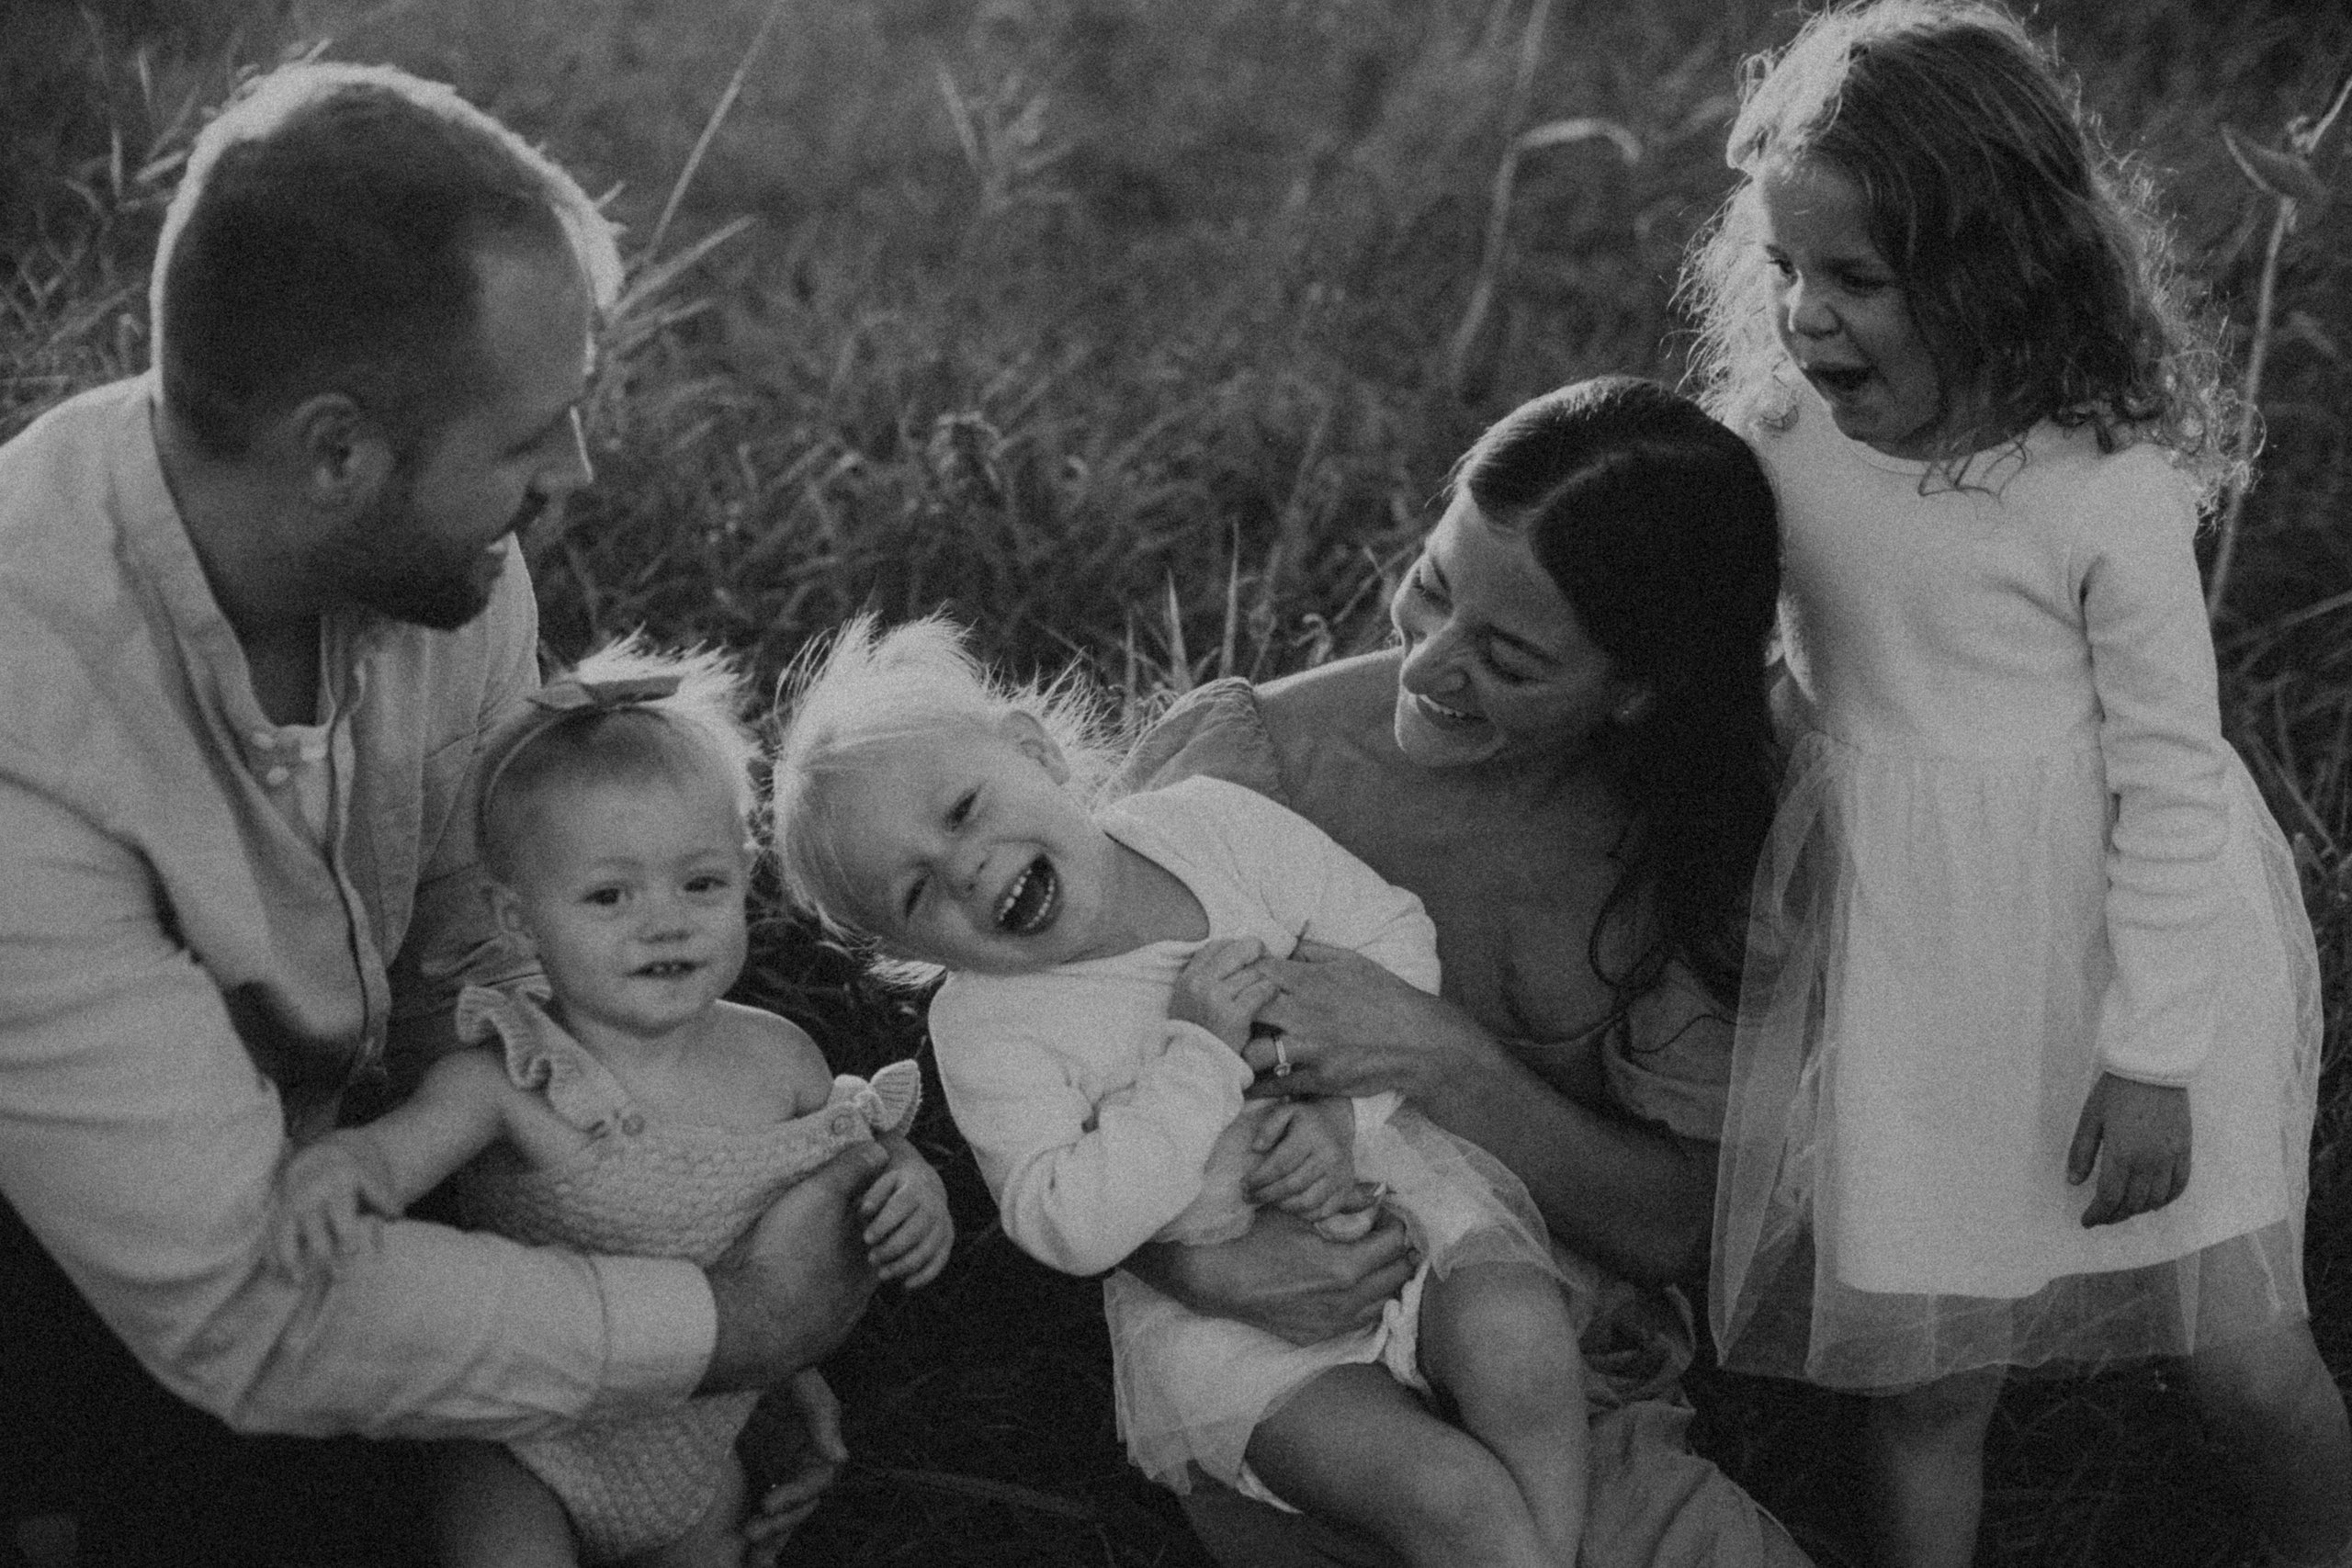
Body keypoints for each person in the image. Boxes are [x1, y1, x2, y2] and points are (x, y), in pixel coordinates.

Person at [0, 62, 879, 1567]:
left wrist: (669, 1308)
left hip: (342, 1162)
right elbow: (236, 1307)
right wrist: (724, 1323)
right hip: (103, 1245)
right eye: (530, 436)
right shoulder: (27, 724)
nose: (577, 473)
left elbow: (482, 959)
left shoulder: (446, 567)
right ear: (335, 452)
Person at [1680, 4, 2352, 1565]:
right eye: (1782, 269)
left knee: (2247, 1365)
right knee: (1924, 1386)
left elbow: (2173, 779)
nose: (1805, 317)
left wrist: (2153, 1055)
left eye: (1855, 280)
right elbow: (1714, 638)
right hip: (1914, 963)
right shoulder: (1781, 440)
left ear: (1996, 270)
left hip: (2129, 945)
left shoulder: (2099, 485)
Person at [1111, 376, 1807, 1566]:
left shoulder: (1688, 845)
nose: (1427, 664)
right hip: (1298, 1374)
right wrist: (1209, 1265)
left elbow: (1671, 1223)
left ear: (1636, 690)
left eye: (1511, 657)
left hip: (1567, 1390)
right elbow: (1064, 1107)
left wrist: (1438, 1053)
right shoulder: (1244, 771)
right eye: (1431, 587)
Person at [769, 613, 1594, 1566]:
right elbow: (1061, 1221)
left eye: (962, 811)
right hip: (1232, 1324)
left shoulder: (1209, 825)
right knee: (1447, 1499)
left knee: (1520, 1343)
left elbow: (1395, 938)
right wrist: (1197, 1060)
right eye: (915, 893)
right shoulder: (988, 1026)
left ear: (1032, 752)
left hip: (1399, 1196)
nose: (967, 866)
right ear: (906, 953)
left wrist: (1337, 1111)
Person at [271, 639, 953, 1566]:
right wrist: (343, 1171)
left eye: (700, 883)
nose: (663, 919)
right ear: (514, 920)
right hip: (521, 1446)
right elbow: (397, 1153)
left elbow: (852, 1155)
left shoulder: (780, 1056)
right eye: (608, 895)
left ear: (746, 877)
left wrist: (911, 1187)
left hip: (694, 1451)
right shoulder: (511, 1074)